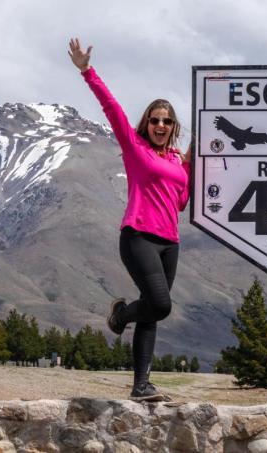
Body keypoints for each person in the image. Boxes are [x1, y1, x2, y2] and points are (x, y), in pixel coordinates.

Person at [68, 38, 191, 401]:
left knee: (152, 313)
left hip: (170, 242)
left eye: (166, 121)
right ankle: (120, 315)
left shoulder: (177, 162)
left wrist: (192, 161)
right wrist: (87, 71)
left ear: (173, 126)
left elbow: (180, 202)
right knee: (161, 304)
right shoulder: (135, 148)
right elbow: (112, 108)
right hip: (138, 236)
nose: (160, 125)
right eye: (154, 120)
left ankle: (141, 386)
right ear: (146, 123)